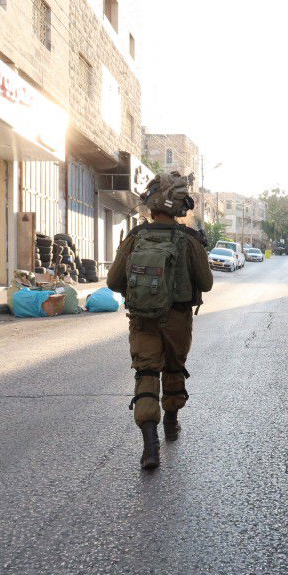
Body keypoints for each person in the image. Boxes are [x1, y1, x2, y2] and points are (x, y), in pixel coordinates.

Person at [107, 172, 213, 470]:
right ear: (180, 205)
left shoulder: (135, 237)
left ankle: (149, 447)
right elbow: (205, 284)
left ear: (150, 204)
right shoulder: (189, 239)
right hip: (178, 318)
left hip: (142, 319)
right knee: (174, 368)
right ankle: (171, 423)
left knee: (146, 374)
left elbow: (114, 281)